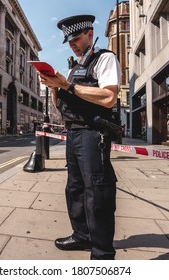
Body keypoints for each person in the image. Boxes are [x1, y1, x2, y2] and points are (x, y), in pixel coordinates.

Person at [38, 14, 122, 260]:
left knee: (97, 192)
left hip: (92, 134)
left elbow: (108, 97)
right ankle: (81, 235)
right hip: (73, 133)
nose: (72, 44)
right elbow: (59, 107)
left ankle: (102, 253)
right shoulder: (74, 67)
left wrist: (68, 86)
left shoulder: (104, 58)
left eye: (76, 38)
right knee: (75, 188)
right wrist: (53, 87)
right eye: (69, 41)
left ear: (89, 34)